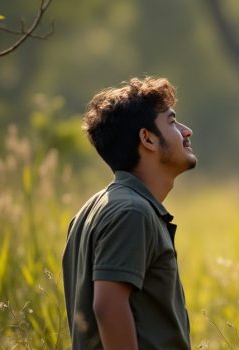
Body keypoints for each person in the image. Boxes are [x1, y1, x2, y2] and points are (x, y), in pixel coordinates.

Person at [63, 76, 195, 349]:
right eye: (171, 122)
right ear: (147, 138)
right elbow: (108, 307)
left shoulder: (92, 209)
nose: (186, 131)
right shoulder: (132, 212)